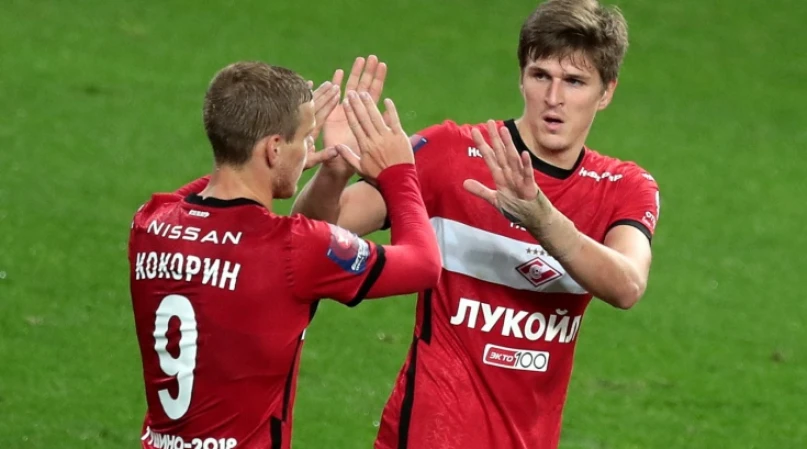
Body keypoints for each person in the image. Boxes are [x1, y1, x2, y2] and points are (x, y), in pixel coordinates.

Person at [292, 0, 662, 448]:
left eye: (575, 81)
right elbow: (307, 237)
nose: (554, 98)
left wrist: (541, 219)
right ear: (521, 77)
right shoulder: (449, 154)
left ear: (606, 92)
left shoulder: (623, 187)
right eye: (540, 75)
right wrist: (334, 172)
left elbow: (627, 285)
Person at [128, 61, 441, 449]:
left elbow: (209, 186)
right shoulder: (292, 246)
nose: (310, 146)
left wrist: (325, 170)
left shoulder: (149, 223)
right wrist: (400, 172)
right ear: (274, 148)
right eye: (305, 138)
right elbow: (424, 264)